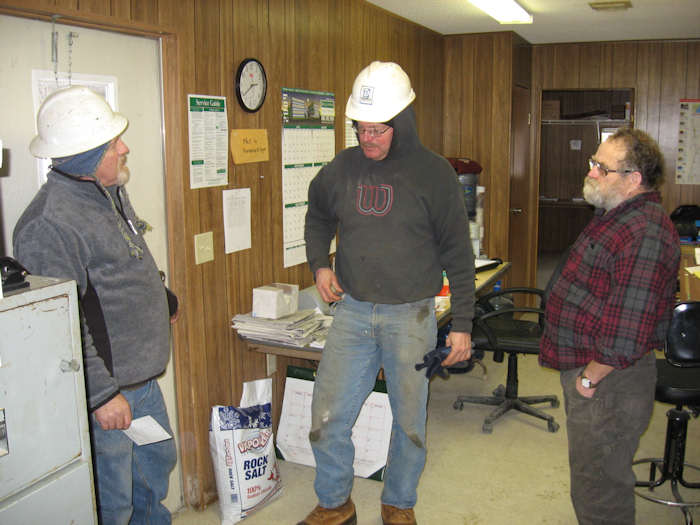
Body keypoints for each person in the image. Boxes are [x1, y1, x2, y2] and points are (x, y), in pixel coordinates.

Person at [301, 61, 475, 525]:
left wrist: (462, 326)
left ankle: (398, 503)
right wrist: (319, 264)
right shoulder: (341, 168)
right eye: (360, 128)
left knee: (409, 421)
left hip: (412, 317)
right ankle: (335, 502)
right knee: (328, 415)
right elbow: (317, 215)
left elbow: (459, 253)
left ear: (401, 123)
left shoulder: (435, 174)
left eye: (377, 129)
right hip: (353, 312)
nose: (367, 138)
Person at [13, 86, 178, 525]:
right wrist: (103, 394)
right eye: (111, 145)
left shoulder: (107, 188)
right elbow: (59, 324)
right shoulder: (49, 223)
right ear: (85, 157)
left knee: (153, 477)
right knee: (114, 503)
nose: (124, 148)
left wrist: (160, 300)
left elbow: (118, 264)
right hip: (108, 392)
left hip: (139, 380)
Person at [539, 128, 680, 525]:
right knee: (593, 476)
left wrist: (589, 380)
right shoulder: (617, 215)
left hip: (610, 380)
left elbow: (629, 327)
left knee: (600, 486)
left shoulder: (645, 230)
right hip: (599, 374)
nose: (592, 173)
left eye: (602, 167)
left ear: (633, 179)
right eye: (593, 163)